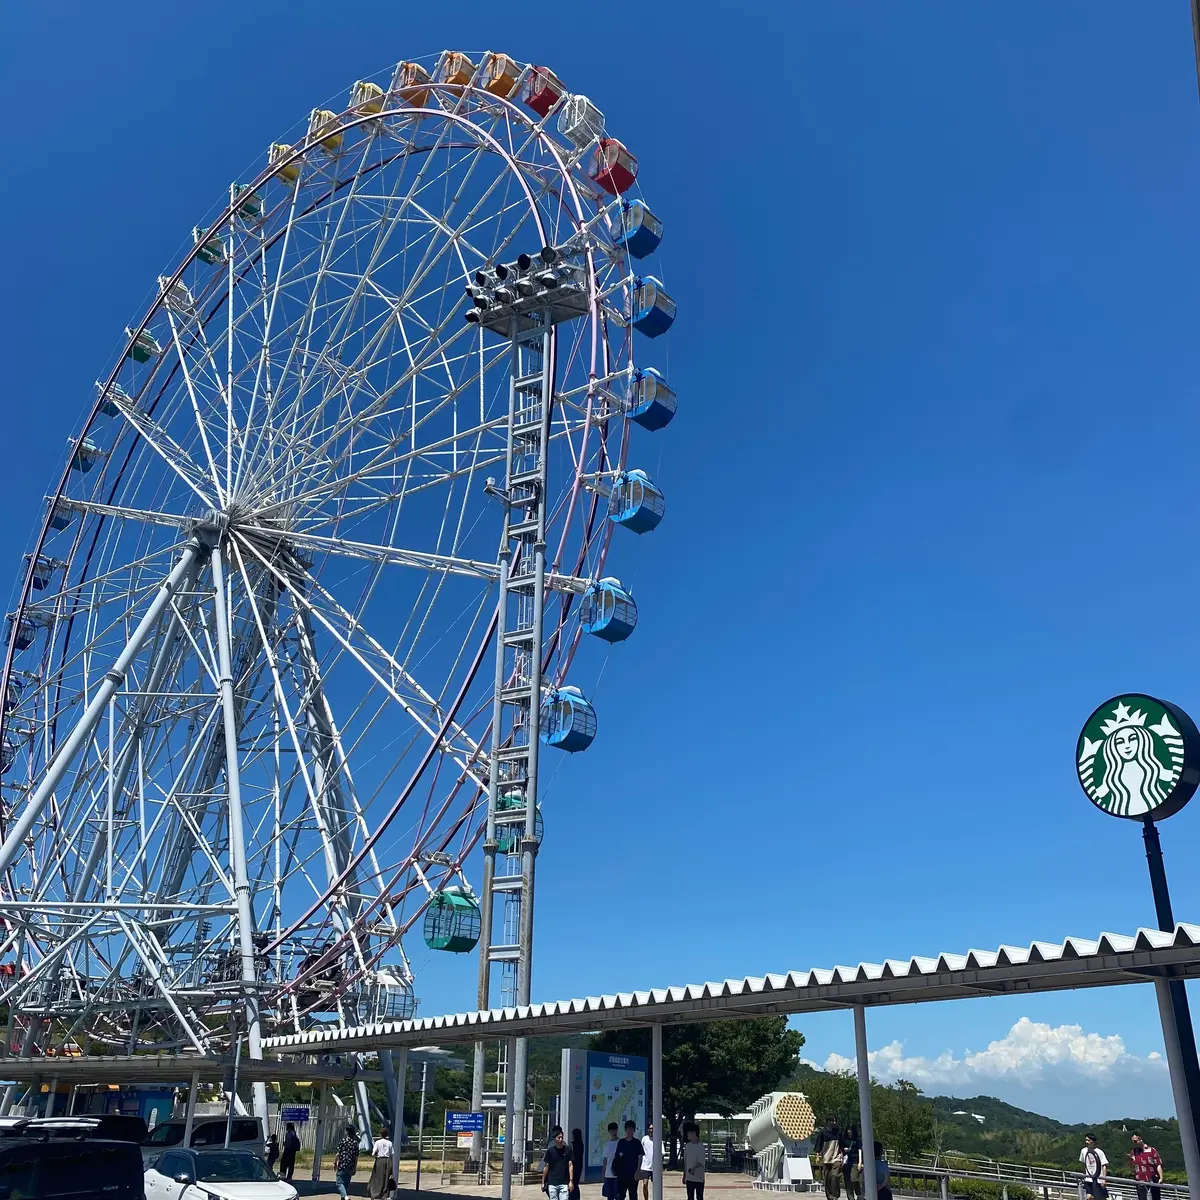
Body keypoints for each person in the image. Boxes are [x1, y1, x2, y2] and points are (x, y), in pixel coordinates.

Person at [611, 1119, 645, 1200]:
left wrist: (638, 1170)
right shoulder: (621, 1142)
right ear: (625, 1130)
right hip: (621, 1174)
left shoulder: (637, 1143)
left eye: (631, 1129)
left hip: (633, 1175)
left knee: (633, 1195)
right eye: (628, 1129)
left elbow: (640, 1157)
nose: (630, 1131)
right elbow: (617, 1157)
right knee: (620, 1195)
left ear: (634, 1130)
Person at [542, 1125, 575, 1200]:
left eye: (561, 1138)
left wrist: (571, 1181)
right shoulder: (550, 1150)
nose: (560, 1140)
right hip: (552, 1181)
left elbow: (570, 1165)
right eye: (558, 1138)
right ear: (554, 1138)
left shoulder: (567, 1149)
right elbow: (546, 1165)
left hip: (564, 1181)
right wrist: (543, 1181)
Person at [814, 1118, 844, 1200]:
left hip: (836, 1157)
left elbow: (841, 1144)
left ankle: (835, 1195)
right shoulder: (823, 1132)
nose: (834, 1122)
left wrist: (842, 1155)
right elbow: (818, 1145)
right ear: (827, 1122)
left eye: (835, 1121)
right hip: (826, 1158)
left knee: (835, 1176)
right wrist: (817, 1156)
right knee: (827, 1178)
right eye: (832, 1121)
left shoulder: (838, 1131)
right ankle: (829, 1196)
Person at [1130, 1133, 1164, 1200]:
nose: (1134, 1143)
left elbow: (1158, 1164)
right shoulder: (1133, 1152)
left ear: (1141, 1139)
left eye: (1135, 1141)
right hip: (1140, 1180)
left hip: (1152, 1179)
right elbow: (1132, 1166)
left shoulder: (1151, 1150)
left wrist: (1161, 1177)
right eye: (1132, 1141)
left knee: (1156, 1198)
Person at [334, 1122, 361, 1200]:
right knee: (345, 1183)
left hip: (342, 1164)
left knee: (339, 1183)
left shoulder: (343, 1141)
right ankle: (344, 1197)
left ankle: (345, 1197)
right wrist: (355, 1167)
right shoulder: (355, 1143)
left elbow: (338, 1153)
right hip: (350, 1165)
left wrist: (335, 1162)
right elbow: (356, 1157)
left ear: (347, 1131)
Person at [1080, 1133, 1109, 1200]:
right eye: (1086, 1140)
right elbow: (1083, 1163)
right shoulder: (1083, 1151)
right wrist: (1084, 1175)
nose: (1086, 1142)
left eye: (1088, 1140)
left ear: (1093, 1141)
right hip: (1088, 1178)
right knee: (1089, 1197)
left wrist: (1104, 1179)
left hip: (1099, 1179)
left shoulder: (1099, 1152)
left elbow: (1104, 1165)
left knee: (1100, 1197)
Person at [368, 1125, 394, 1200]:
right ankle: (384, 1195)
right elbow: (391, 1153)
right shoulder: (389, 1143)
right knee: (386, 1178)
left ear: (380, 1134)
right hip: (388, 1160)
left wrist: (376, 1156)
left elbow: (373, 1153)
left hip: (380, 1160)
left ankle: (375, 1193)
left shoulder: (378, 1142)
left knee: (377, 1177)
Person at [682, 1121, 706, 1200]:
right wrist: (684, 1175)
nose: (687, 1135)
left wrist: (694, 1169)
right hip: (689, 1178)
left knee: (699, 1197)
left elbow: (701, 1163)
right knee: (690, 1197)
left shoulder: (701, 1147)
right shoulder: (687, 1146)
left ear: (694, 1133)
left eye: (689, 1133)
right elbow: (686, 1162)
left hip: (699, 1178)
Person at [841, 1124, 862, 1200]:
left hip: (855, 1161)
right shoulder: (844, 1139)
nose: (849, 1131)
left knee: (854, 1178)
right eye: (848, 1130)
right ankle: (850, 1197)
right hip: (846, 1161)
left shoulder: (857, 1140)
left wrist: (860, 1162)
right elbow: (841, 1150)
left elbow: (860, 1150)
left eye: (851, 1130)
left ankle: (859, 1193)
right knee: (847, 1181)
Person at [602, 1121, 621, 1200]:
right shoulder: (607, 1144)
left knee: (618, 1195)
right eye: (612, 1130)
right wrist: (603, 1173)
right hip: (608, 1174)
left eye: (615, 1130)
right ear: (609, 1131)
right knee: (609, 1196)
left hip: (618, 1174)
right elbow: (605, 1160)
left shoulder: (621, 1142)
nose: (614, 1132)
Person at [639, 1121, 657, 1200]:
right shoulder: (644, 1139)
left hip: (655, 1166)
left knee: (656, 1186)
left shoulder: (657, 1139)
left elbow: (662, 1153)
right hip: (645, 1166)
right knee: (645, 1184)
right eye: (650, 1128)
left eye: (652, 1128)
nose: (651, 1130)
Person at [570, 1129, 585, 1200]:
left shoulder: (573, 1144)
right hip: (579, 1165)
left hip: (573, 1165)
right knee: (576, 1183)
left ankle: (573, 1197)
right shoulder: (581, 1144)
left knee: (572, 1182)